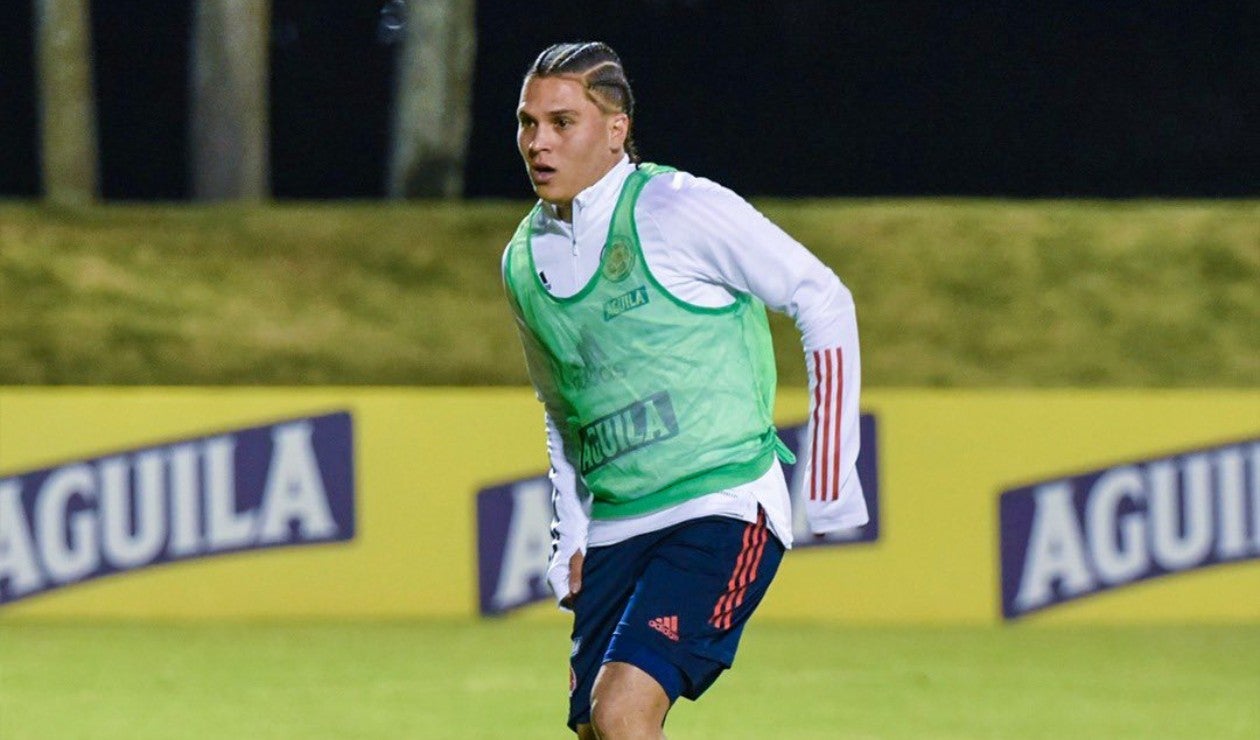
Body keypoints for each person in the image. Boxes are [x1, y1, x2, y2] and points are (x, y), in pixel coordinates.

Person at [501, 41, 867, 739]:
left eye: (561, 122)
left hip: (721, 500)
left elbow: (823, 298)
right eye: (527, 122)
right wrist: (570, 536)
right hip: (617, 525)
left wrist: (828, 481)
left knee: (622, 712)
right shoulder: (525, 260)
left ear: (616, 131)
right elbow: (562, 407)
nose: (537, 142)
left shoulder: (675, 208)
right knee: (598, 730)